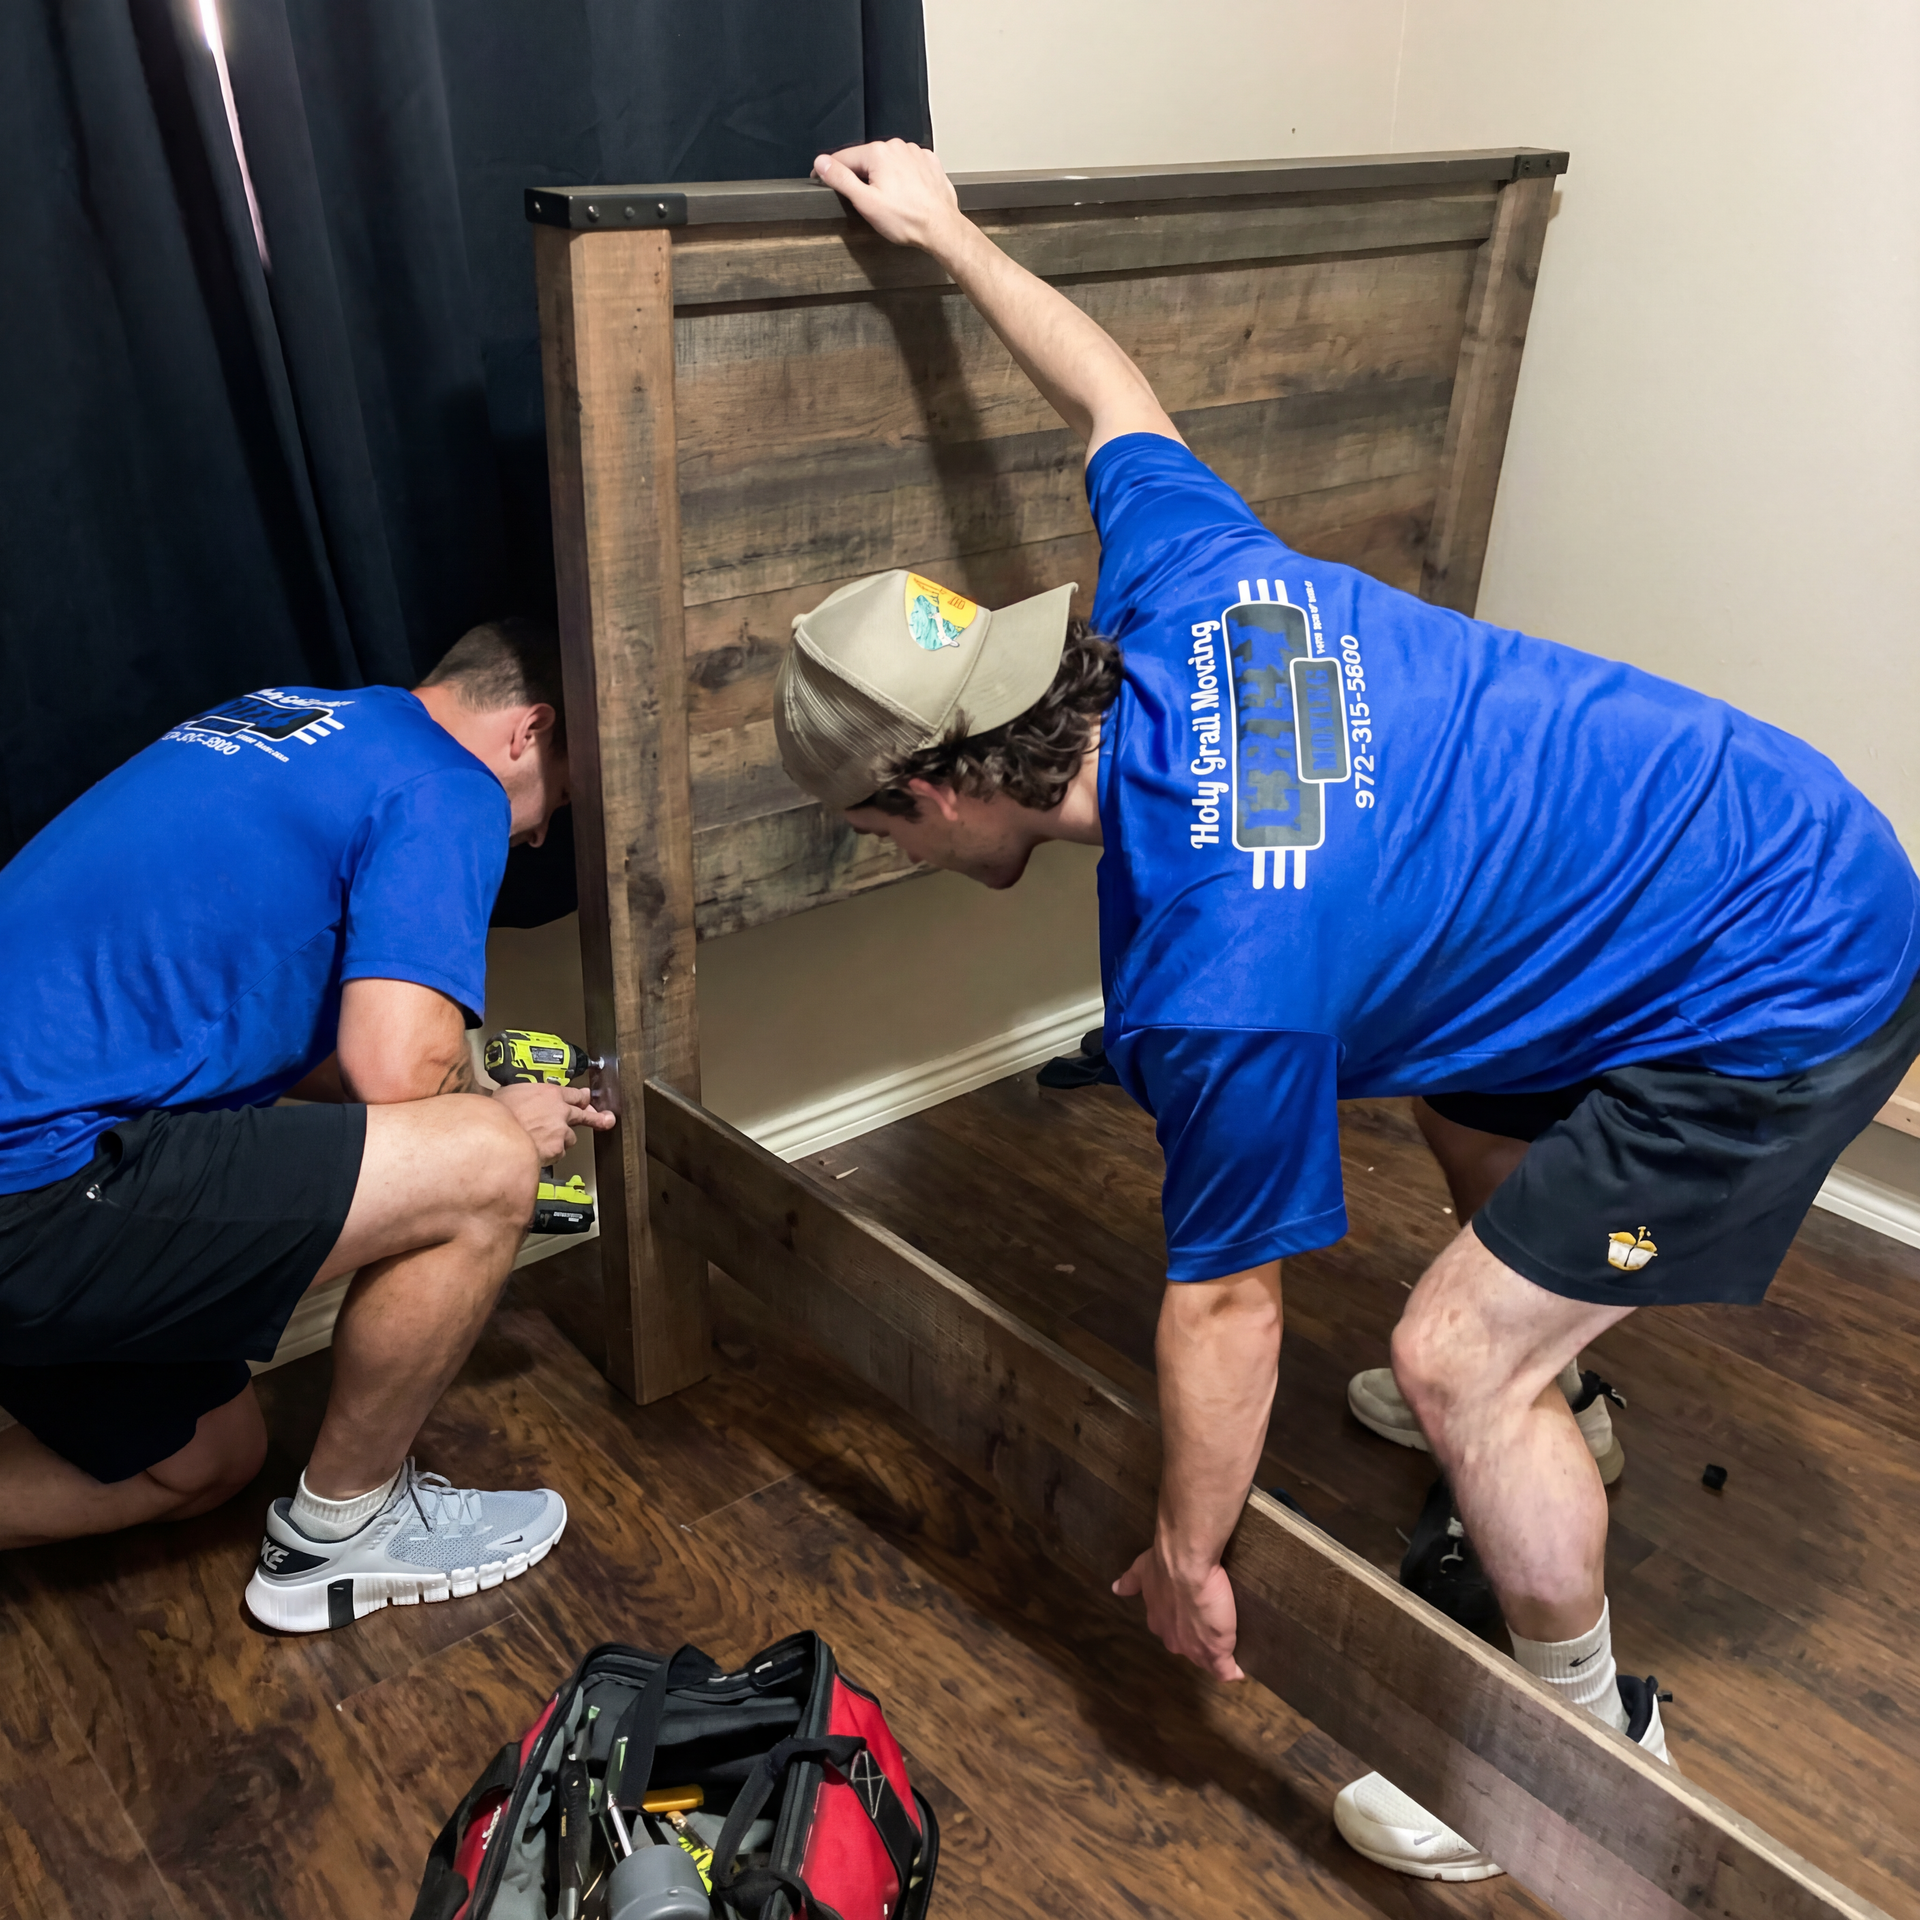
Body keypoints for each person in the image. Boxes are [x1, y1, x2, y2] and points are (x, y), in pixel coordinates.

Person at [779, 141, 1920, 1880]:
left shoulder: (1213, 976)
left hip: (1789, 973)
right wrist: (948, 231)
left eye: (872, 830)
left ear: (927, 800)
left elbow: (1229, 1306)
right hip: (1759, 820)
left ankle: (1583, 1745)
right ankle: (1571, 1397)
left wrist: (1184, 1555)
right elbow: (1108, 391)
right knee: (1452, 1069)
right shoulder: (1190, 581)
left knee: (1451, 1359)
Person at [0, 618, 615, 1634]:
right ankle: (343, 1536)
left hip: (45, 1151)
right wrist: (491, 1124)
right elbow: (394, 1066)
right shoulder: (447, 782)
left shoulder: (293, 722)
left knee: (202, 1462)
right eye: (563, 799)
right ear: (528, 731)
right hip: (35, 1187)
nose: (543, 834)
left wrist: (462, 1097)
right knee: (490, 1160)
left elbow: (293, 1033)